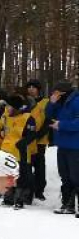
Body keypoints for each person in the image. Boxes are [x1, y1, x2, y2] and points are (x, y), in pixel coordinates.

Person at [0, 95, 37, 209]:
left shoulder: (27, 118)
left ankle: (20, 199)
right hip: (6, 151)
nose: (7, 109)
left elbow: (32, 134)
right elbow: (3, 128)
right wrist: (1, 132)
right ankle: (8, 198)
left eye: (9, 106)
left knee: (21, 176)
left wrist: (23, 142)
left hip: (20, 152)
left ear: (16, 108)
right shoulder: (6, 117)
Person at [46, 81, 79, 215]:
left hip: (75, 145)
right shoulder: (59, 103)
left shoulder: (76, 101)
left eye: (56, 92)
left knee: (75, 176)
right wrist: (51, 103)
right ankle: (67, 203)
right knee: (64, 176)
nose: (54, 94)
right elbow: (48, 116)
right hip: (62, 144)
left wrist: (61, 125)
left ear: (63, 92)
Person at [26, 79, 50, 201]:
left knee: (39, 165)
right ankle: (28, 190)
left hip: (40, 139)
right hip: (27, 139)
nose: (31, 89)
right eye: (29, 87)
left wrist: (40, 134)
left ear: (38, 89)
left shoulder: (45, 102)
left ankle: (39, 190)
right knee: (27, 164)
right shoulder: (25, 102)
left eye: (33, 87)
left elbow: (48, 120)